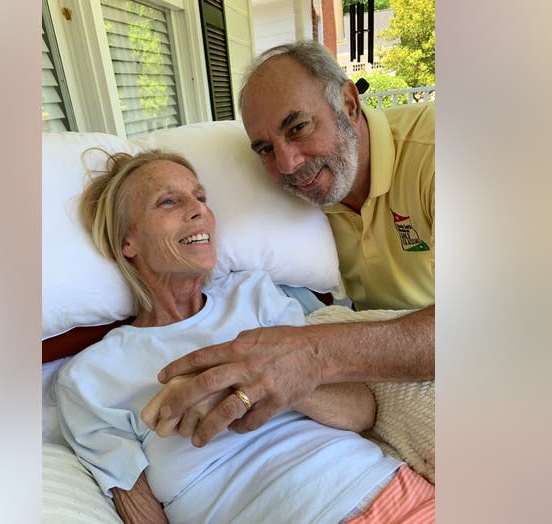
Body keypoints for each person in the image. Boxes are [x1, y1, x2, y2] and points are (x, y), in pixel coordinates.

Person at [56, 149, 434, 523]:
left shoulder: (253, 295)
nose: (198, 209)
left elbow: (361, 411)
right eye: (169, 202)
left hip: (391, 496)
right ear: (128, 243)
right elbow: (138, 509)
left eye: (201, 197)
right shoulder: (90, 376)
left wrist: (265, 381)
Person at [141, 40, 435, 448]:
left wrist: (312, 354)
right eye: (264, 149)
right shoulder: (303, 203)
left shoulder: (438, 153)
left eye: (298, 127)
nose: (287, 165)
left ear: (349, 104)